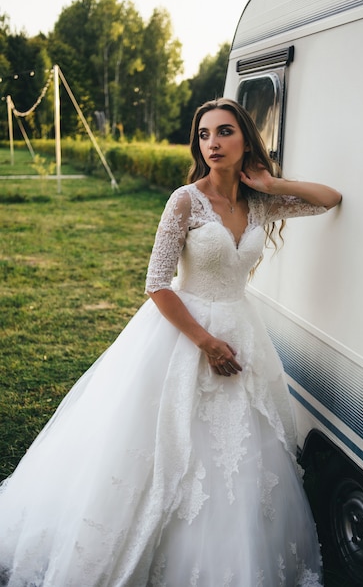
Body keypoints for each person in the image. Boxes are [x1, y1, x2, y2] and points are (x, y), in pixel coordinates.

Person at [0, 98, 341, 587]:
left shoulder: (259, 202)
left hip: (242, 331)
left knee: (239, 456)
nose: (213, 143)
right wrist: (206, 342)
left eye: (224, 132)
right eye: (204, 135)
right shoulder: (186, 199)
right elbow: (158, 282)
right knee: (163, 452)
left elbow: (329, 198)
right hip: (186, 334)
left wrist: (271, 183)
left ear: (245, 139)